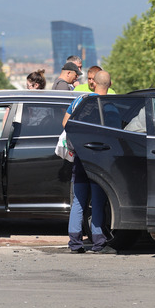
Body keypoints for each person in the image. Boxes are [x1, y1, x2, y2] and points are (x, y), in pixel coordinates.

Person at [64, 70, 117, 254]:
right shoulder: (110, 106)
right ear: (109, 85)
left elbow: (65, 124)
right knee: (98, 199)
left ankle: (75, 243)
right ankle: (98, 243)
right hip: (100, 160)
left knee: (78, 201)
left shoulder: (80, 101)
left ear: (93, 83)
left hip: (80, 157)